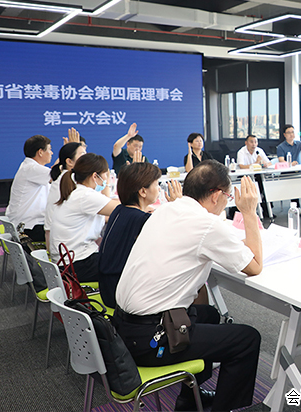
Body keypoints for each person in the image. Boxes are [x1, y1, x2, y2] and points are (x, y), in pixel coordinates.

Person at [115, 160, 263, 412]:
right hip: (150, 340)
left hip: (122, 328)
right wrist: (249, 212)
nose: (227, 202)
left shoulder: (165, 210)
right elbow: (255, 265)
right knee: (247, 339)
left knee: (209, 314)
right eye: (227, 196)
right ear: (215, 195)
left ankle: (189, 398)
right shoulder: (206, 224)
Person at [97, 163, 181, 308]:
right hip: (124, 295)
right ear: (143, 191)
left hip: (108, 287)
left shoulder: (120, 210)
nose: (159, 188)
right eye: (156, 184)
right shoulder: (141, 220)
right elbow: (178, 235)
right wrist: (179, 204)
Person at [51, 153, 120, 282]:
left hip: (67, 262)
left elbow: (109, 211)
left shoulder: (78, 192)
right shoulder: (86, 196)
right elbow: (122, 210)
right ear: (95, 176)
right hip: (77, 264)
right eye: (105, 175)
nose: (107, 179)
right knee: (125, 263)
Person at [6, 135, 54, 242]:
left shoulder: (30, 167)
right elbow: (58, 175)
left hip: (25, 224)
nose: (52, 153)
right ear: (40, 152)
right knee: (66, 232)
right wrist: (68, 153)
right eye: (50, 149)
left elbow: (57, 173)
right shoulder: (31, 168)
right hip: (27, 229)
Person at [45, 142, 87, 251]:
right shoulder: (70, 180)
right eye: (82, 155)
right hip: (62, 246)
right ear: (69, 162)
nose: (87, 158)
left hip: (55, 240)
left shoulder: (63, 176)